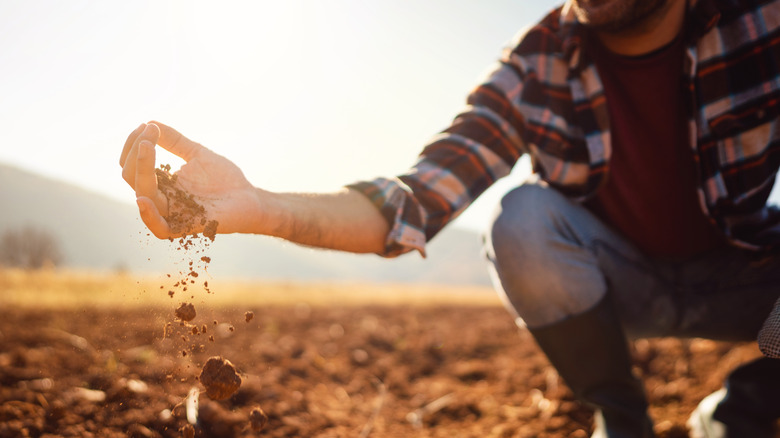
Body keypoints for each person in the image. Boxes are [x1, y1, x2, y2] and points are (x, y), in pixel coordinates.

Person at [119, 0, 780, 436]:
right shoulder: (537, 62)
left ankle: (744, 410)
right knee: (523, 219)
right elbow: (419, 199)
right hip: (618, 284)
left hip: (750, 278)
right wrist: (263, 207)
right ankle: (620, 417)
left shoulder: (760, 22)